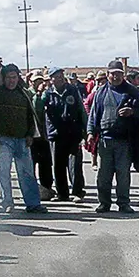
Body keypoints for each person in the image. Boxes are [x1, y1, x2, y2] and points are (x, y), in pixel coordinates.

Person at [0, 60, 47, 214]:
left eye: (14, 77)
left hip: (22, 140)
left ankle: (33, 204)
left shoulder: (24, 94)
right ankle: (7, 203)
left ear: (18, 78)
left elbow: (30, 116)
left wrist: (30, 134)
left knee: (27, 174)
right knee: (4, 173)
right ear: (3, 78)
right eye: (8, 77)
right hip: (5, 140)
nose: (11, 80)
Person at [86, 60, 139, 214]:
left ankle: (123, 203)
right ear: (107, 74)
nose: (116, 77)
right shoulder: (100, 92)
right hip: (105, 141)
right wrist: (90, 133)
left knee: (123, 174)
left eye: (119, 74)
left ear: (123, 75)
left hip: (124, 141)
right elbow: (93, 115)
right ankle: (104, 203)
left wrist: (132, 111)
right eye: (113, 74)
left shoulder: (132, 91)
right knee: (103, 174)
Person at [43, 67, 87, 202]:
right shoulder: (47, 93)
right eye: (56, 76)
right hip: (56, 134)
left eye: (61, 76)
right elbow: (39, 108)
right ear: (51, 79)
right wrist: (40, 94)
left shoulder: (72, 90)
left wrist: (85, 131)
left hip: (73, 133)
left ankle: (78, 192)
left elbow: (81, 109)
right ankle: (62, 194)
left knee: (75, 164)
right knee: (58, 165)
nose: (60, 78)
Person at [28, 72, 56, 200]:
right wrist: (39, 94)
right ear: (31, 82)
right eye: (36, 81)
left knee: (46, 164)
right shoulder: (29, 94)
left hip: (44, 135)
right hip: (32, 135)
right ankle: (32, 190)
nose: (39, 83)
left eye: (41, 81)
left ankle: (46, 188)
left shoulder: (47, 93)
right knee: (31, 164)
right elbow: (36, 108)